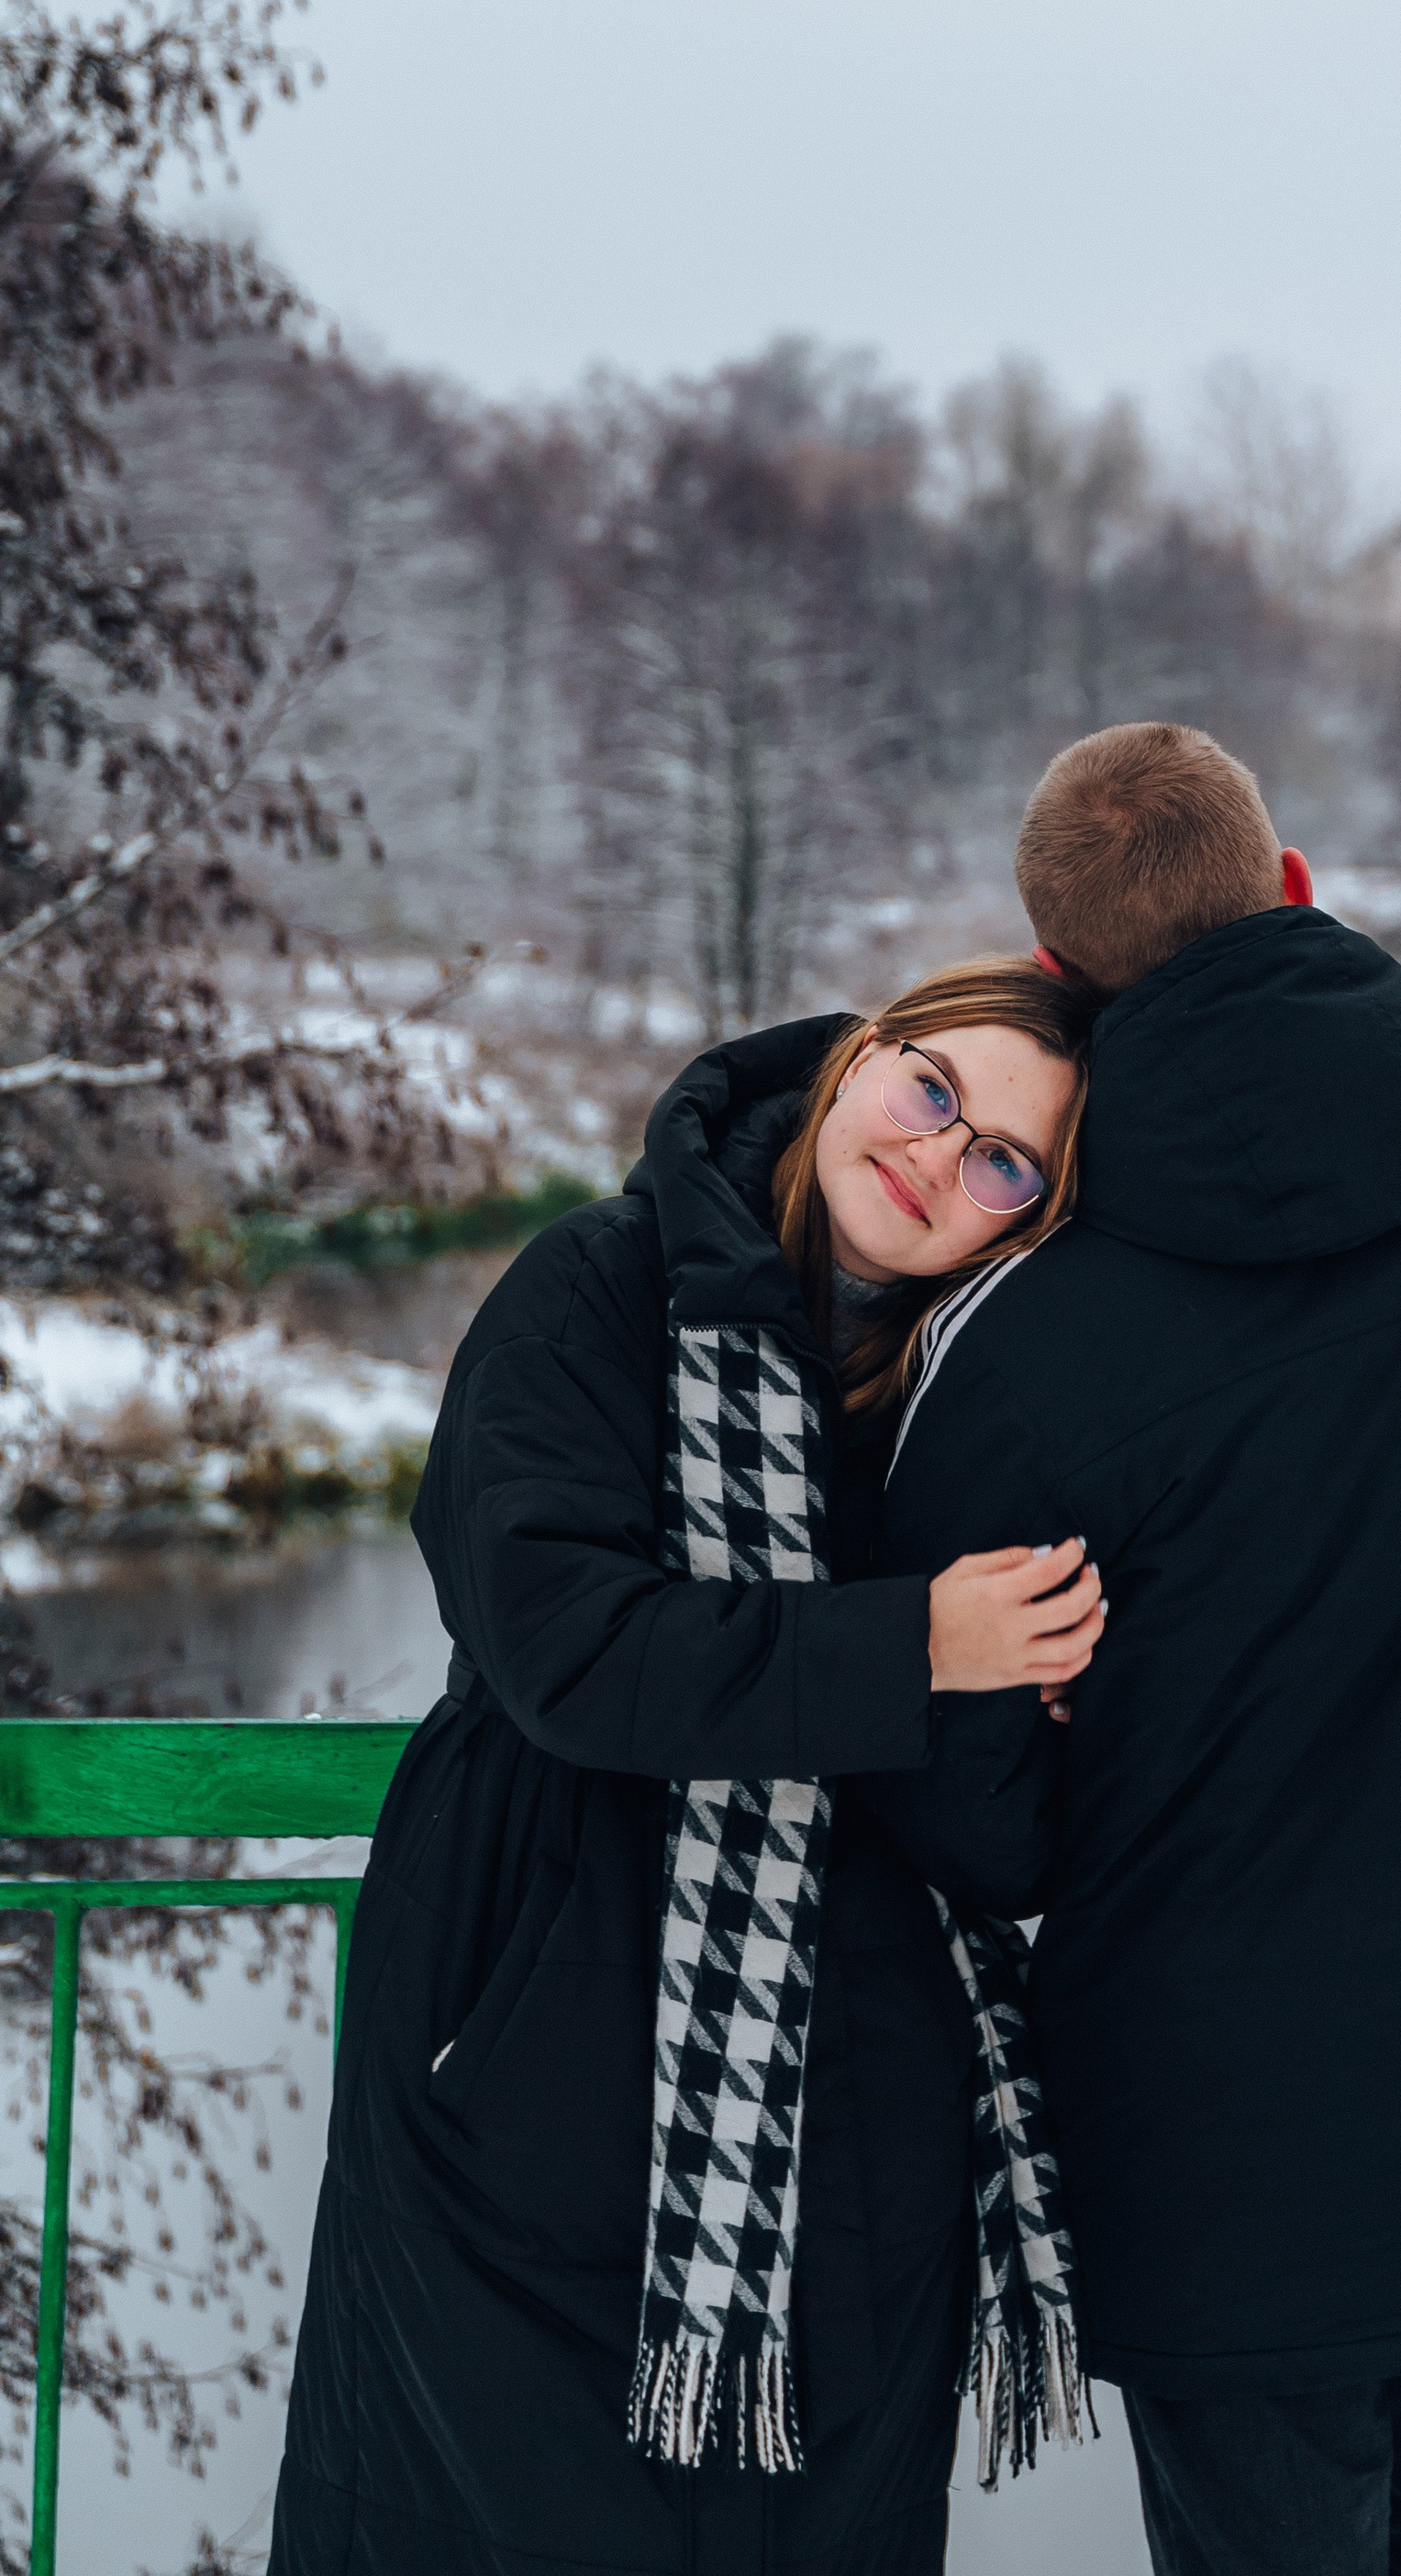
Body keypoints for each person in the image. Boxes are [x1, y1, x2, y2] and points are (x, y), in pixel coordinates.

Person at [879, 727, 1401, 2576]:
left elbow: (970, 1801)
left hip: (1212, 2140)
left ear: (1054, 974)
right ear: (1290, 886)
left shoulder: (1022, 1347)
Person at [270, 960, 1106, 2576]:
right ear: (869, 1050)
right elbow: (561, 1644)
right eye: (935, 1091)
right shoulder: (598, 1285)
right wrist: (915, 1648)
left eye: (1006, 1161)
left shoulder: (982, 1392)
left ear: (1026, 1221)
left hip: (861, 2093)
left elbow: (1005, 1824)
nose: (940, 1157)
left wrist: (1052, 1698)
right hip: (533, 2027)